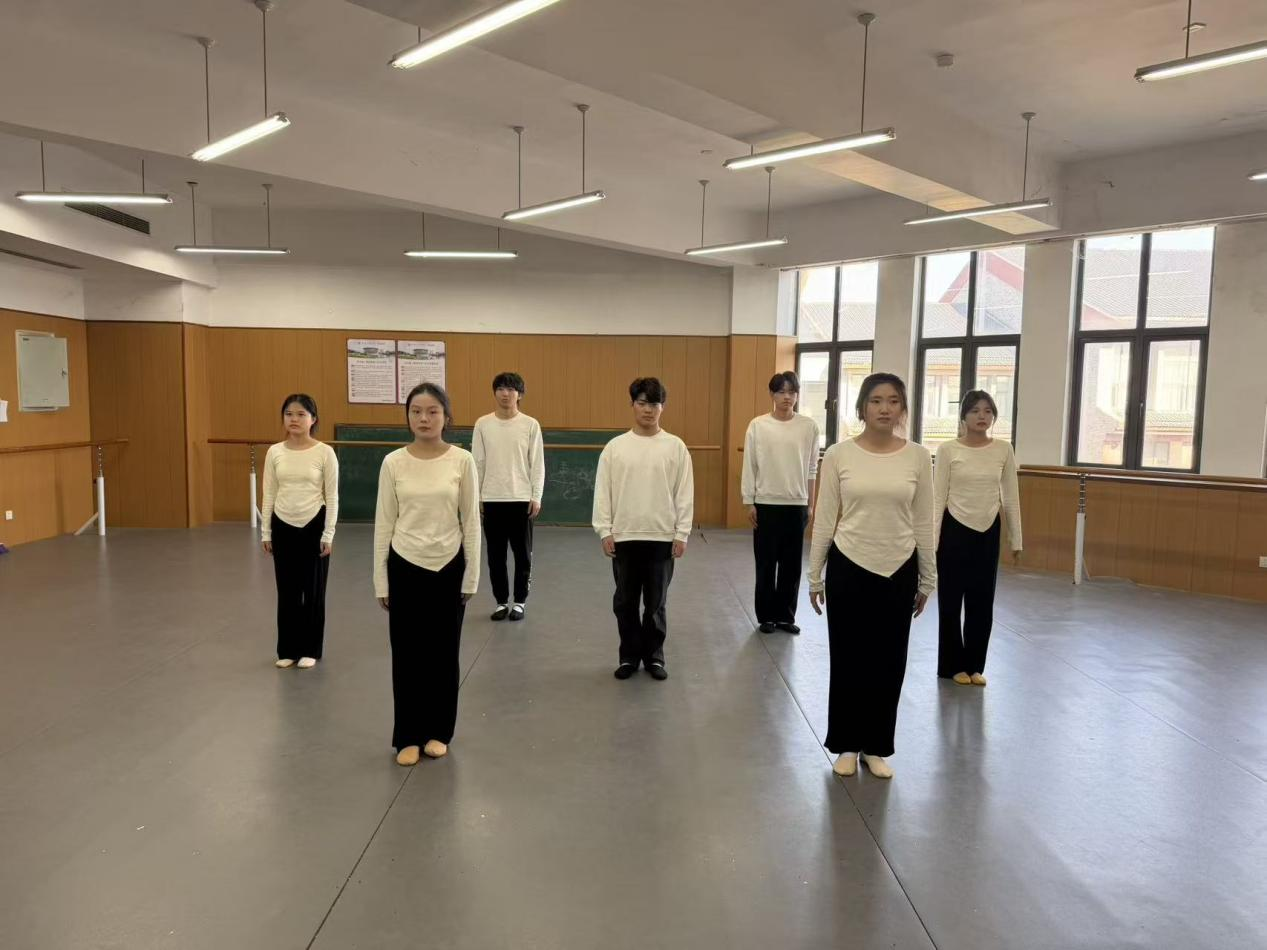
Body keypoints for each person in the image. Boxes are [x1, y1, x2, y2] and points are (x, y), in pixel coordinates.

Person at [807, 373, 935, 780]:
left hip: (899, 567)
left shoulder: (918, 457)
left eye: (893, 401)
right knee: (849, 658)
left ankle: (876, 746)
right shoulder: (839, 455)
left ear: (903, 408)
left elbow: (924, 520)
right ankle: (846, 743)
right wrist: (814, 574)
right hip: (849, 564)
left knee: (889, 660)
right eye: (876, 400)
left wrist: (928, 578)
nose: (884, 408)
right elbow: (825, 517)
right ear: (862, 407)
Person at [373, 383, 481, 766]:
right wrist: (381, 580)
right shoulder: (393, 463)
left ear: (446, 417)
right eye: (416, 411)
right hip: (405, 564)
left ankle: (439, 730)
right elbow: (384, 523)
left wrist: (471, 576)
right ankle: (407, 735)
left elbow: (471, 521)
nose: (424, 418)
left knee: (443, 654)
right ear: (408, 417)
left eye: (432, 411)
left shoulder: (462, 461)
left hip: (448, 565)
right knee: (407, 654)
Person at [593, 377, 694, 682]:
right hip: (624, 536)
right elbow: (603, 492)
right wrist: (604, 530)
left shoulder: (675, 447)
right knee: (624, 602)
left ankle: (654, 657)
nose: (648, 409)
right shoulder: (615, 448)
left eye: (654, 403)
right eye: (642, 403)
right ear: (632, 405)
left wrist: (681, 533)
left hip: (661, 537)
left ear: (662, 407)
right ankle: (628, 656)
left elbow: (684, 493)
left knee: (655, 604)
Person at [933, 390, 1023, 687]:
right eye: (975, 411)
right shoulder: (948, 450)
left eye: (987, 411)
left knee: (982, 601)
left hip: (988, 529)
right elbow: (937, 497)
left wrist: (1016, 539)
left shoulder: (1003, 449)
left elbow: (1010, 497)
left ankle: (974, 665)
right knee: (950, 600)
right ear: (963, 416)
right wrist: (931, 541)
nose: (981, 416)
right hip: (954, 528)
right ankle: (951, 665)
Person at [260, 393, 338, 670]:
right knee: (287, 590)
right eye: (289, 414)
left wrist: (328, 534)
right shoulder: (275, 452)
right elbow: (269, 493)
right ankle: (288, 649)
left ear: (313, 419)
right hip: (282, 525)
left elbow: (332, 496)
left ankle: (310, 649)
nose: (294, 419)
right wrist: (266, 531)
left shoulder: (324, 452)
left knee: (313, 591)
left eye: (301, 414)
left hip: (313, 524)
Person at [741, 370, 820, 635]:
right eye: (781, 392)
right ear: (772, 394)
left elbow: (812, 468)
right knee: (765, 563)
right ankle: (766, 617)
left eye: (792, 392)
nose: (787, 397)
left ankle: (785, 616)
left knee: (791, 564)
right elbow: (750, 465)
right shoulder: (758, 425)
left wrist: (810, 503)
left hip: (796, 504)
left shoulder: (809, 427)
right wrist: (749, 501)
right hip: (765, 503)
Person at [471, 372, 545, 623]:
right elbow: (477, 462)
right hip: (492, 499)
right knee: (495, 556)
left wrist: (536, 496)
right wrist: (477, 496)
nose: (505, 393)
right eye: (501, 388)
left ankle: (520, 602)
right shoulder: (483, 424)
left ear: (520, 394)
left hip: (521, 499)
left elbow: (537, 464)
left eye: (511, 389)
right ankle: (501, 601)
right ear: (494, 392)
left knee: (523, 556)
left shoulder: (530, 425)